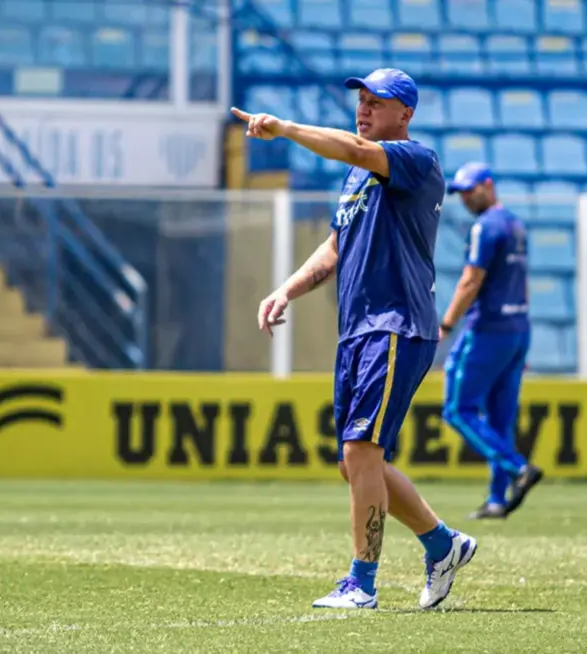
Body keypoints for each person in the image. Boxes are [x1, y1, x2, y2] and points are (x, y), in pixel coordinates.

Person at [232, 68, 477, 611]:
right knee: (355, 461)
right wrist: (285, 290)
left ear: (405, 114)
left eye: (376, 102)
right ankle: (443, 543)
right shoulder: (357, 179)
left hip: (395, 324)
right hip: (359, 331)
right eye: (361, 100)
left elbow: (354, 150)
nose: (363, 109)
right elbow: (336, 247)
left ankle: (361, 585)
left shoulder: (416, 160)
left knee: (361, 450)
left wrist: (286, 128)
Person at [438, 162, 543, 520]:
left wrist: (447, 323)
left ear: (488, 185)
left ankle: (518, 468)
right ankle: (498, 499)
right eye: (461, 193)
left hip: (488, 329)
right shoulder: (515, 224)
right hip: (517, 329)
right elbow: (521, 280)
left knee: (457, 409)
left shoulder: (485, 227)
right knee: (500, 417)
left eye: (470, 190)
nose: (465, 198)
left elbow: (470, 281)